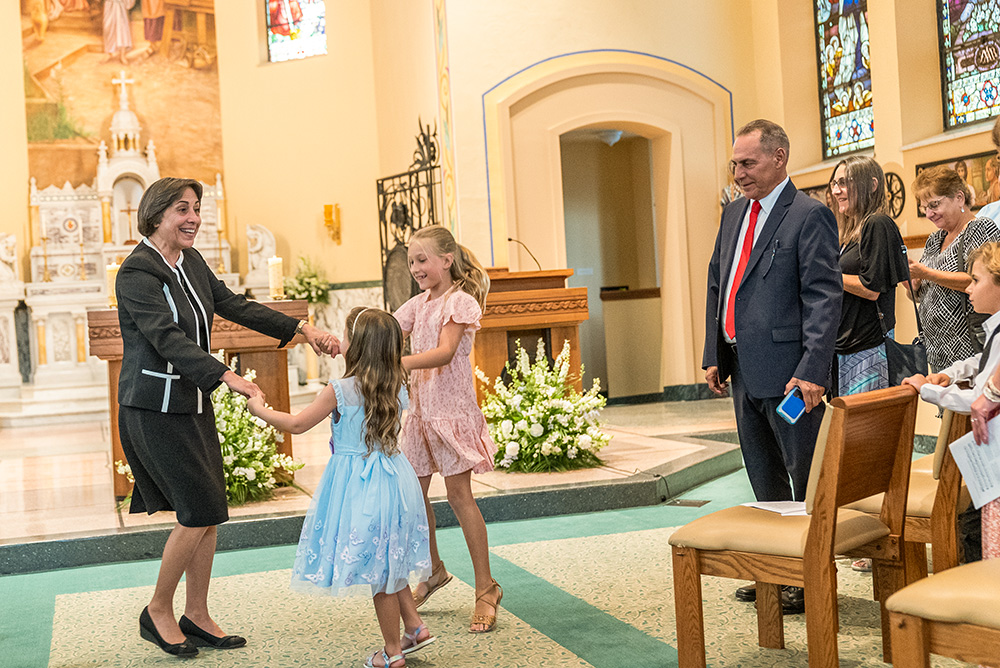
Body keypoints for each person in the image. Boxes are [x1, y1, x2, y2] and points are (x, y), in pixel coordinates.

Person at [116, 177, 336, 657]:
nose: (193, 217)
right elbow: (164, 337)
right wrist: (225, 376)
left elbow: (233, 305)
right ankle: (157, 610)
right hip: (153, 407)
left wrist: (301, 330)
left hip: (190, 403)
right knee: (195, 512)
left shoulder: (190, 261)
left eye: (196, 208)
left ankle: (196, 614)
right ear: (157, 216)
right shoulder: (137, 272)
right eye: (182, 209)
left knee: (210, 511)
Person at [704, 119, 842, 613]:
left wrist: (812, 369)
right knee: (763, 475)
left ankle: (806, 578)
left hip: (791, 377)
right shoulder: (733, 213)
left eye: (748, 163)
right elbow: (719, 283)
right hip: (743, 370)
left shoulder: (808, 215)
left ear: (779, 157)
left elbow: (824, 298)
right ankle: (775, 571)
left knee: (802, 476)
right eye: (735, 164)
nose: (738, 172)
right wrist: (713, 353)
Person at [248, 307, 433, 668]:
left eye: (346, 337)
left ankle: (392, 653)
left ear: (357, 347)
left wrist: (260, 410)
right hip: (396, 481)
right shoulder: (396, 384)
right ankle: (415, 626)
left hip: (360, 487)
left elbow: (297, 424)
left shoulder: (341, 390)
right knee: (390, 559)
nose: (341, 342)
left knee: (380, 574)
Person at [393, 225, 502, 633]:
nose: (416, 268)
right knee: (413, 496)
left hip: (451, 414)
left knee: (459, 497)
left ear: (446, 259)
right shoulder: (418, 304)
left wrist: (397, 364)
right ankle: (434, 570)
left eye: (423, 260)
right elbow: (386, 331)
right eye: (411, 262)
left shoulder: (460, 302)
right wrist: (348, 343)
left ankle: (486, 588)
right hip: (420, 417)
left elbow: (443, 354)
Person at [905, 242, 1000, 569]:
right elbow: (981, 362)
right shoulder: (994, 329)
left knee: (982, 532)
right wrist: (946, 373)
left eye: (976, 280)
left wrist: (925, 389)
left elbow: (980, 397)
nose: (969, 288)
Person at [830, 156, 908, 398]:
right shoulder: (851, 233)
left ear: (872, 185)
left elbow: (871, 288)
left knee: (863, 431)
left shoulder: (877, 224)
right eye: (834, 183)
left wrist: (828, 274)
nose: (836, 191)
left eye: (843, 182)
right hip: (846, 345)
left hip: (868, 347)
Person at [909, 166, 1000, 371]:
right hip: (937, 351)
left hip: (969, 347)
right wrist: (913, 284)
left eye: (934, 205)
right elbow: (921, 293)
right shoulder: (935, 239)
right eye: (925, 208)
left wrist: (925, 273)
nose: (929, 214)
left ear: (959, 197)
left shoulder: (980, 228)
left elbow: (986, 282)